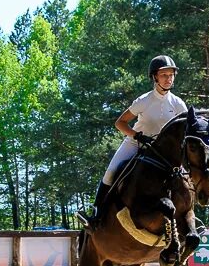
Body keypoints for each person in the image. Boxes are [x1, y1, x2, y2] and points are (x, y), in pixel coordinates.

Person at [77, 55, 187, 231]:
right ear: (154, 77)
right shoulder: (144, 100)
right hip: (136, 144)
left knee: (185, 178)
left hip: (161, 152)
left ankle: (189, 219)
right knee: (110, 172)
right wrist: (136, 135)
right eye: (164, 75)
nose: (169, 79)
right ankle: (95, 215)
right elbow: (120, 122)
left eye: (171, 75)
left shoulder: (178, 104)